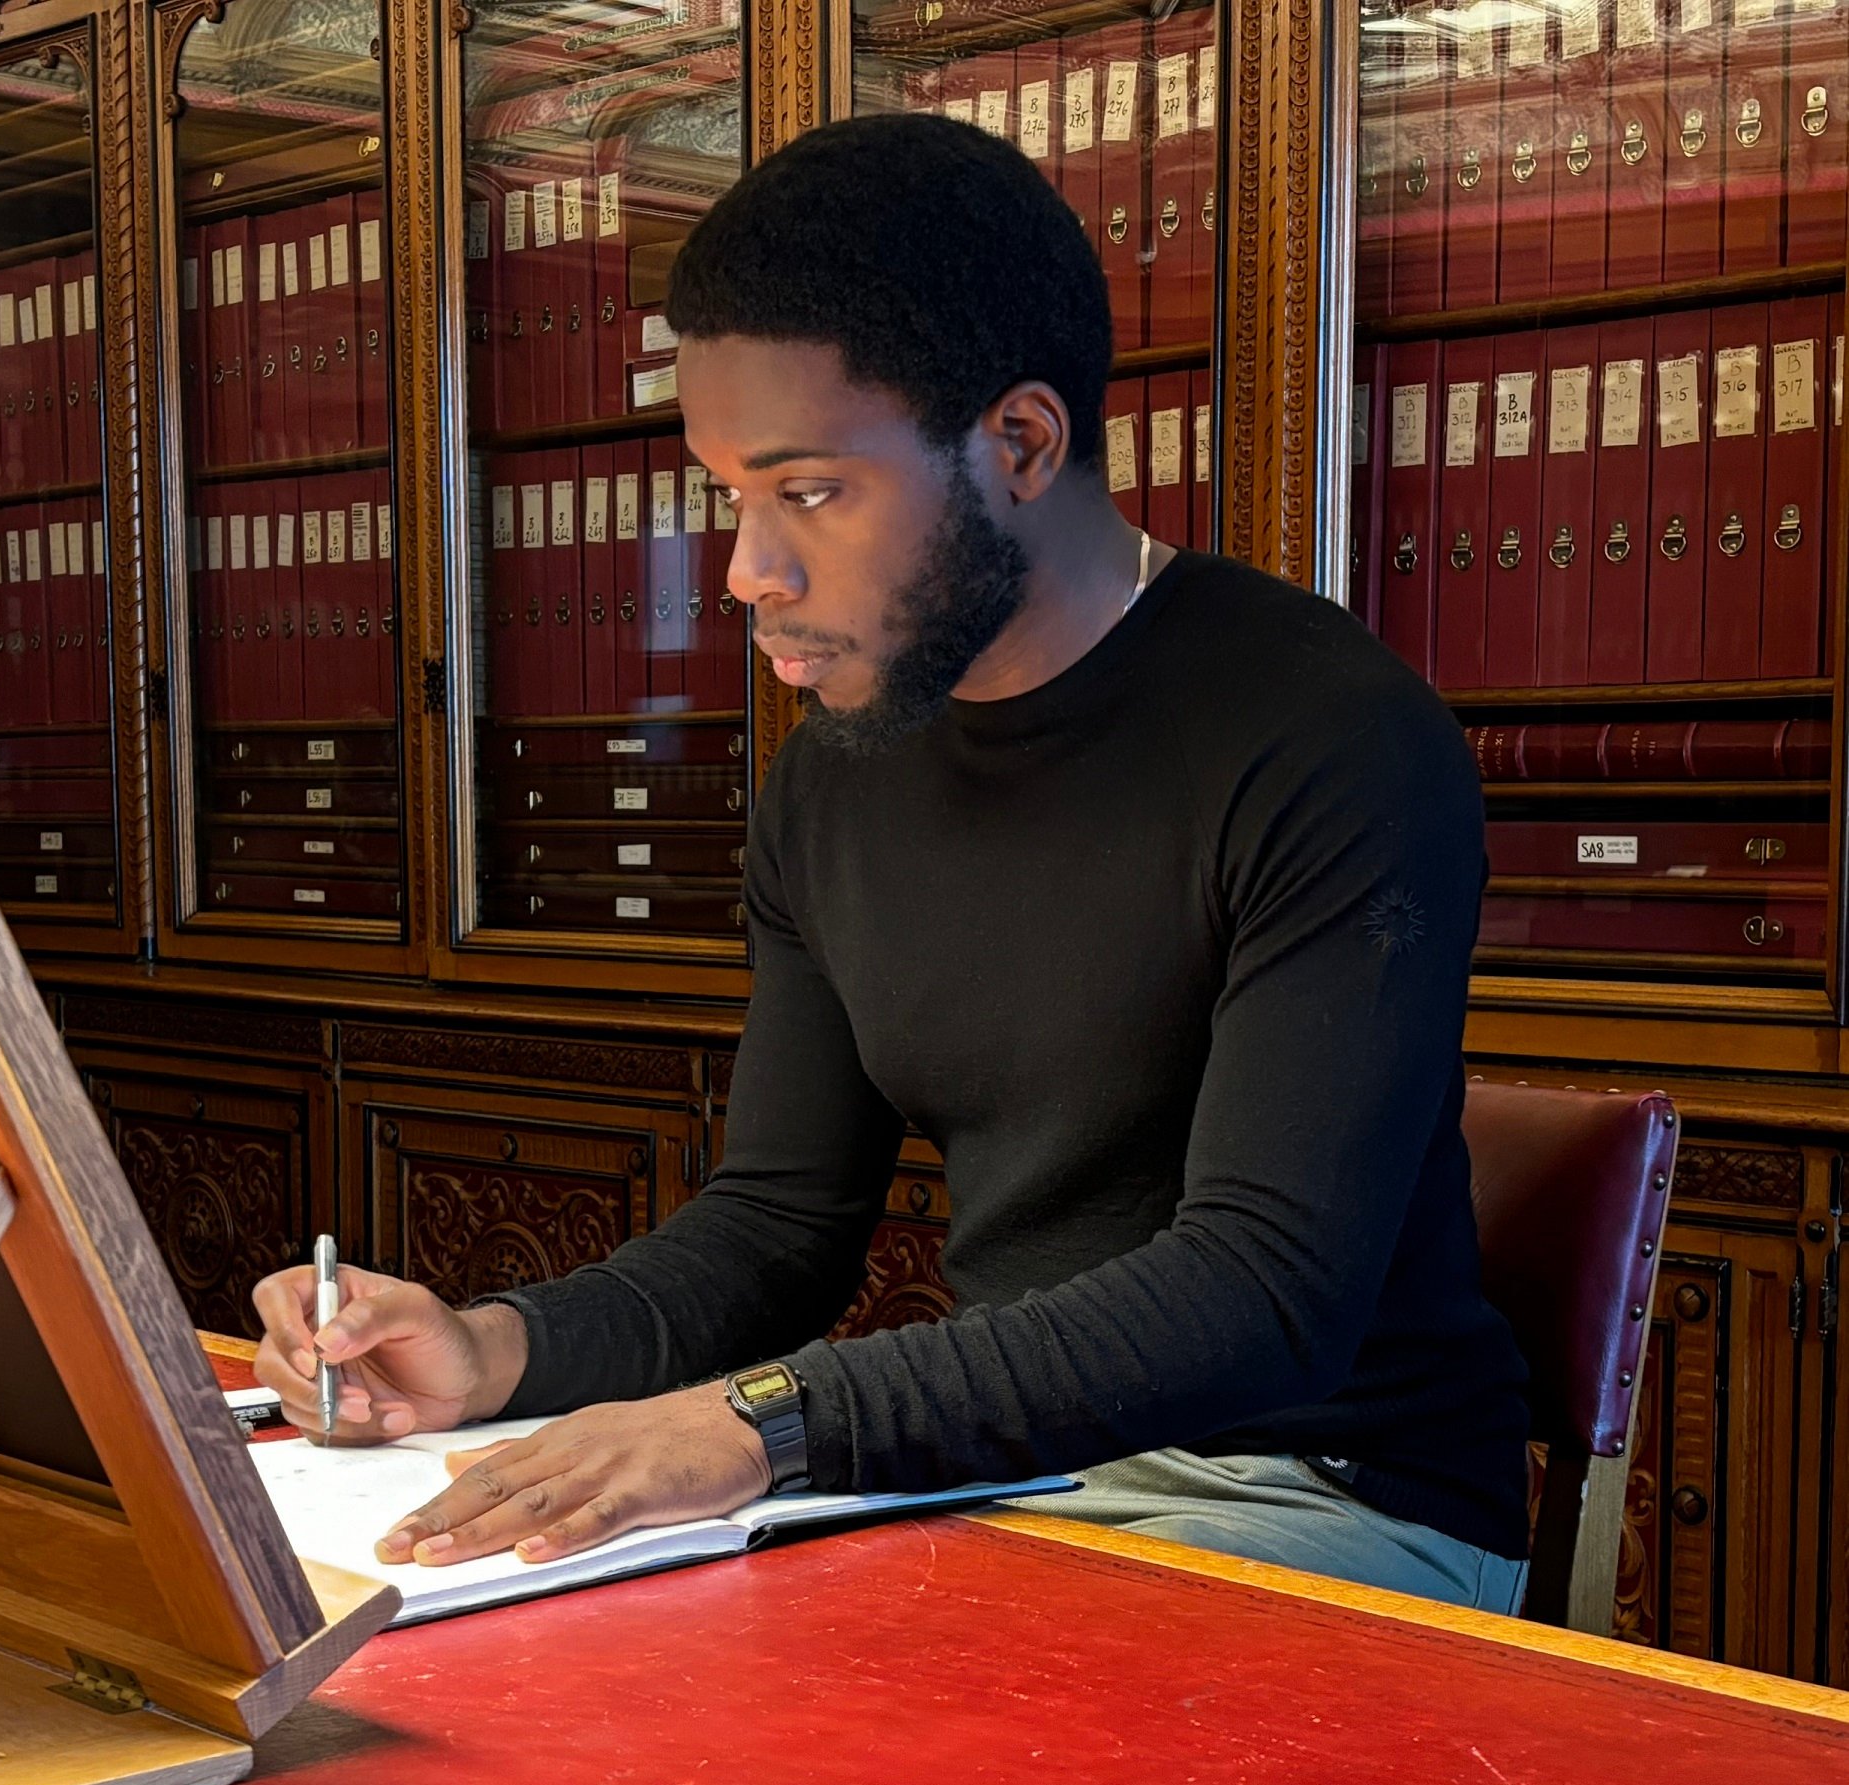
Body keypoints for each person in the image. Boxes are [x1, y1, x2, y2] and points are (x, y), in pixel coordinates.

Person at [252, 111, 1533, 1613]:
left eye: (807, 490)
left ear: (1018, 445)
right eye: (726, 492)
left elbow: (1263, 1296)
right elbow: (778, 1228)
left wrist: (766, 1423)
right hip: (1006, 1482)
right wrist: (493, 1347)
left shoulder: (1328, 739)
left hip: (1318, 1503)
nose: (746, 570)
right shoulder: (832, 779)